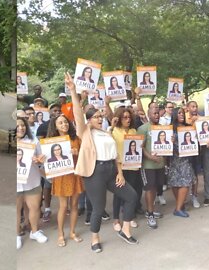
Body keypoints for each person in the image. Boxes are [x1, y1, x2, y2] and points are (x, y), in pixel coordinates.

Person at [66, 72, 139, 252]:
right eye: (96, 117)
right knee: (98, 208)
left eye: (101, 115)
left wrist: (120, 174)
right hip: (95, 173)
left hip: (112, 171)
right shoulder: (85, 133)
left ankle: (126, 230)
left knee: (132, 197)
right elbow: (77, 113)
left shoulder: (107, 134)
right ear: (89, 120)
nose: (100, 118)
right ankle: (95, 238)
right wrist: (73, 91)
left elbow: (115, 156)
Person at [46, 114, 84, 247]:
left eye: (66, 122)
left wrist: (76, 153)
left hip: (74, 175)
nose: (64, 125)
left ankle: (72, 232)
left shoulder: (76, 139)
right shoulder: (51, 141)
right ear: (55, 126)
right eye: (60, 123)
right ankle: (61, 234)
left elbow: (84, 156)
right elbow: (47, 159)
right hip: (61, 177)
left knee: (74, 206)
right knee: (63, 207)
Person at [16, 117, 48, 249]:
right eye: (17, 126)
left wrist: (39, 160)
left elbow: (42, 159)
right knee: (16, 210)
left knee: (34, 207)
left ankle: (34, 232)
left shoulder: (33, 141)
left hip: (32, 181)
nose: (21, 128)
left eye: (23, 125)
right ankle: (17, 234)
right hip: (16, 183)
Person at [110, 108, 143, 231]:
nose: (128, 119)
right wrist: (111, 127)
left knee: (132, 193)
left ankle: (129, 217)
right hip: (119, 167)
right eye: (124, 117)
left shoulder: (134, 130)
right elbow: (108, 142)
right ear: (119, 118)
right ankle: (116, 220)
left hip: (133, 166)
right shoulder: (114, 131)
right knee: (119, 193)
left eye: (129, 117)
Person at [138, 105, 165, 229]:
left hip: (160, 164)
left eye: (158, 113)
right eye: (154, 113)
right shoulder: (143, 128)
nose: (156, 115)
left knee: (155, 188)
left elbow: (166, 145)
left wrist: (172, 140)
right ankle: (149, 214)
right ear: (149, 115)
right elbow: (140, 147)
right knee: (149, 188)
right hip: (148, 165)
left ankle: (152, 210)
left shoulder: (164, 128)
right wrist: (150, 157)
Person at [168, 107, 194, 217]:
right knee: (175, 182)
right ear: (174, 115)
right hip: (174, 159)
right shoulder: (170, 129)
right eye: (179, 113)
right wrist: (171, 142)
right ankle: (180, 205)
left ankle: (178, 208)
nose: (182, 115)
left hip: (186, 159)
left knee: (186, 182)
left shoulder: (189, 127)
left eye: (183, 113)